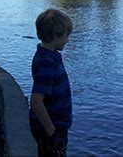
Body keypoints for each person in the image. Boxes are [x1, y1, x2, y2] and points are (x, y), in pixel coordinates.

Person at [29, 9, 73, 157]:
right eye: (67, 35)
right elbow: (36, 101)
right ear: (56, 36)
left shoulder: (47, 56)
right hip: (51, 125)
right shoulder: (47, 63)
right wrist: (51, 131)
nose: (67, 39)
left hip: (53, 124)